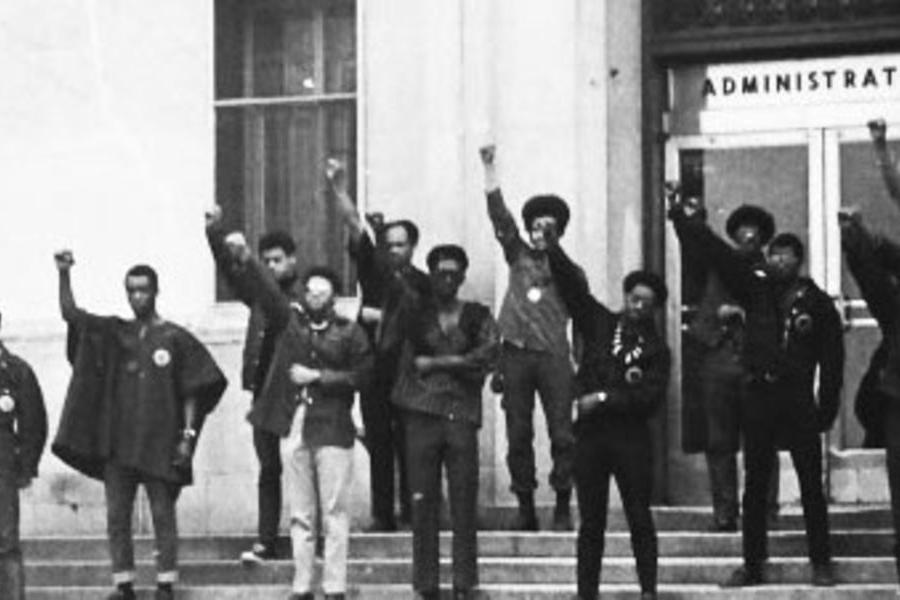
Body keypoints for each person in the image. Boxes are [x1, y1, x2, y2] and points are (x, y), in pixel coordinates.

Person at [669, 197, 844, 588]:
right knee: (755, 482)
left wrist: (827, 408)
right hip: (759, 394)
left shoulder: (816, 302)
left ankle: (821, 562)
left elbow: (833, 359)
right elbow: (716, 252)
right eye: (775, 255)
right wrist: (685, 217)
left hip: (797, 397)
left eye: (787, 255)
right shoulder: (754, 289)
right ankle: (752, 563)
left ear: (798, 260)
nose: (779, 261)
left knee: (811, 484)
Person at [52, 251, 227, 600]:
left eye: (143, 290)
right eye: (131, 290)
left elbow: (194, 390)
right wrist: (64, 274)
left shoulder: (175, 338)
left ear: (156, 291)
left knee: (163, 513)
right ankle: (123, 583)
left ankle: (165, 582)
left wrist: (187, 438)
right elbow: (71, 314)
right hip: (118, 444)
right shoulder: (115, 332)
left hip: (161, 442)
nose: (137, 297)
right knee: (117, 516)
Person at [218, 231, 372, 600]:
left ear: (333, 296)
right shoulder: (292, 326)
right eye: (310, 291)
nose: (315, 297)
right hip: (298, 423)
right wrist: (245, 257)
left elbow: (363, 376)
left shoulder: (350, 332)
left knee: (334, 511)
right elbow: (269, 293)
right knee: (301, 512)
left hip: (333, 426)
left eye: (322, 292)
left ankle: (334, 586)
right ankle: (302, 585)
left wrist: (318, 376)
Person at [546, 243, 669, 600]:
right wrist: (552, 247)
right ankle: (587, 593)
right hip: (592, 438)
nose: (638, 306)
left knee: (639, 516)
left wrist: (601, 398)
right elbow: (574, 291)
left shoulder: (657, 351)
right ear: (626, 296)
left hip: (631, 440)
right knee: (591, 522)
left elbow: (647, 400)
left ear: (655, 309)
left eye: (646, 303)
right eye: (634, 298)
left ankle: (648, 591)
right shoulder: (601, 324)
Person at [327, 159, 430, 531]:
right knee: (379, 441)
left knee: (412, 441)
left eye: (401, 244)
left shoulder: (424, 283)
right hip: (374, 370)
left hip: (409, 372)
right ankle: (382, 514)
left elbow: (426, 325)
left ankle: (414, 512)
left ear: (413, 247)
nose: (395, 250)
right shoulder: (374, 269)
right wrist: (340, 190)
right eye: (389, 244)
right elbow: (354, 226)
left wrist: (382, 318)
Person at [392, 244, 499, 600]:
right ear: (432, 275)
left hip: (461, 415)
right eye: (441, 273)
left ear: (463, 277)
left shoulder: (478, 315)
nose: (448, 280)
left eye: (454, 273)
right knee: (423, 501)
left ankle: (465, 582)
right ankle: (425, 583)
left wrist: (438, 363)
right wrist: (460, 364)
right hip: (421, 414)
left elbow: (487, 356)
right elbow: (406, 364)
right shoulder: (415, 315)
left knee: (464, 501)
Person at [478, 144, 575, 531]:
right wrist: (490, 170)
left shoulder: (570, 272)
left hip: (553, 355)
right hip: (516, 353)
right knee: (517, 433)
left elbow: (584, 313)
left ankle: (563, 502)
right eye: (535, 227)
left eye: (548, 229)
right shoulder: (517, 256)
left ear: (559, 232)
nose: (539, 234)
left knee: (562, 433)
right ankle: (525, 505)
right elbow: (501, 220)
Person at [206, 206, 303, 562]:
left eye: (278, 260)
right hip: (264, 393)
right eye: (267, 261)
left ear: (292, 260)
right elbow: (233, 275)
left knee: (304, 468)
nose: (272, 266)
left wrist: (249, 260)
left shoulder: (302, 295)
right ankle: (266, 538)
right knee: (269, 469)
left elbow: (275, 301)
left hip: (296, 393)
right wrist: (214, 235)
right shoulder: (259, 296)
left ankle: (308, 538)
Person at [680, 202, 780, 531]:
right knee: (719, 440)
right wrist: (683, 216)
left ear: (763, 238)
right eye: (742, 231)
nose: (748, 237)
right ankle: (724, 510)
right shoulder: (717, 264)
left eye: (755, 232)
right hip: (718, 357)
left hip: (754, 362)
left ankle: (764, 510)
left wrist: (745, 316)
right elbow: (693, 244)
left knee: (761, 439)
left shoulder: (771, 275)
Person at [0, 310, 48, 600]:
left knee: (6, 543)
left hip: (2, 464)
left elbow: (34, 422)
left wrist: (26, 466)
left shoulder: (15, 371)